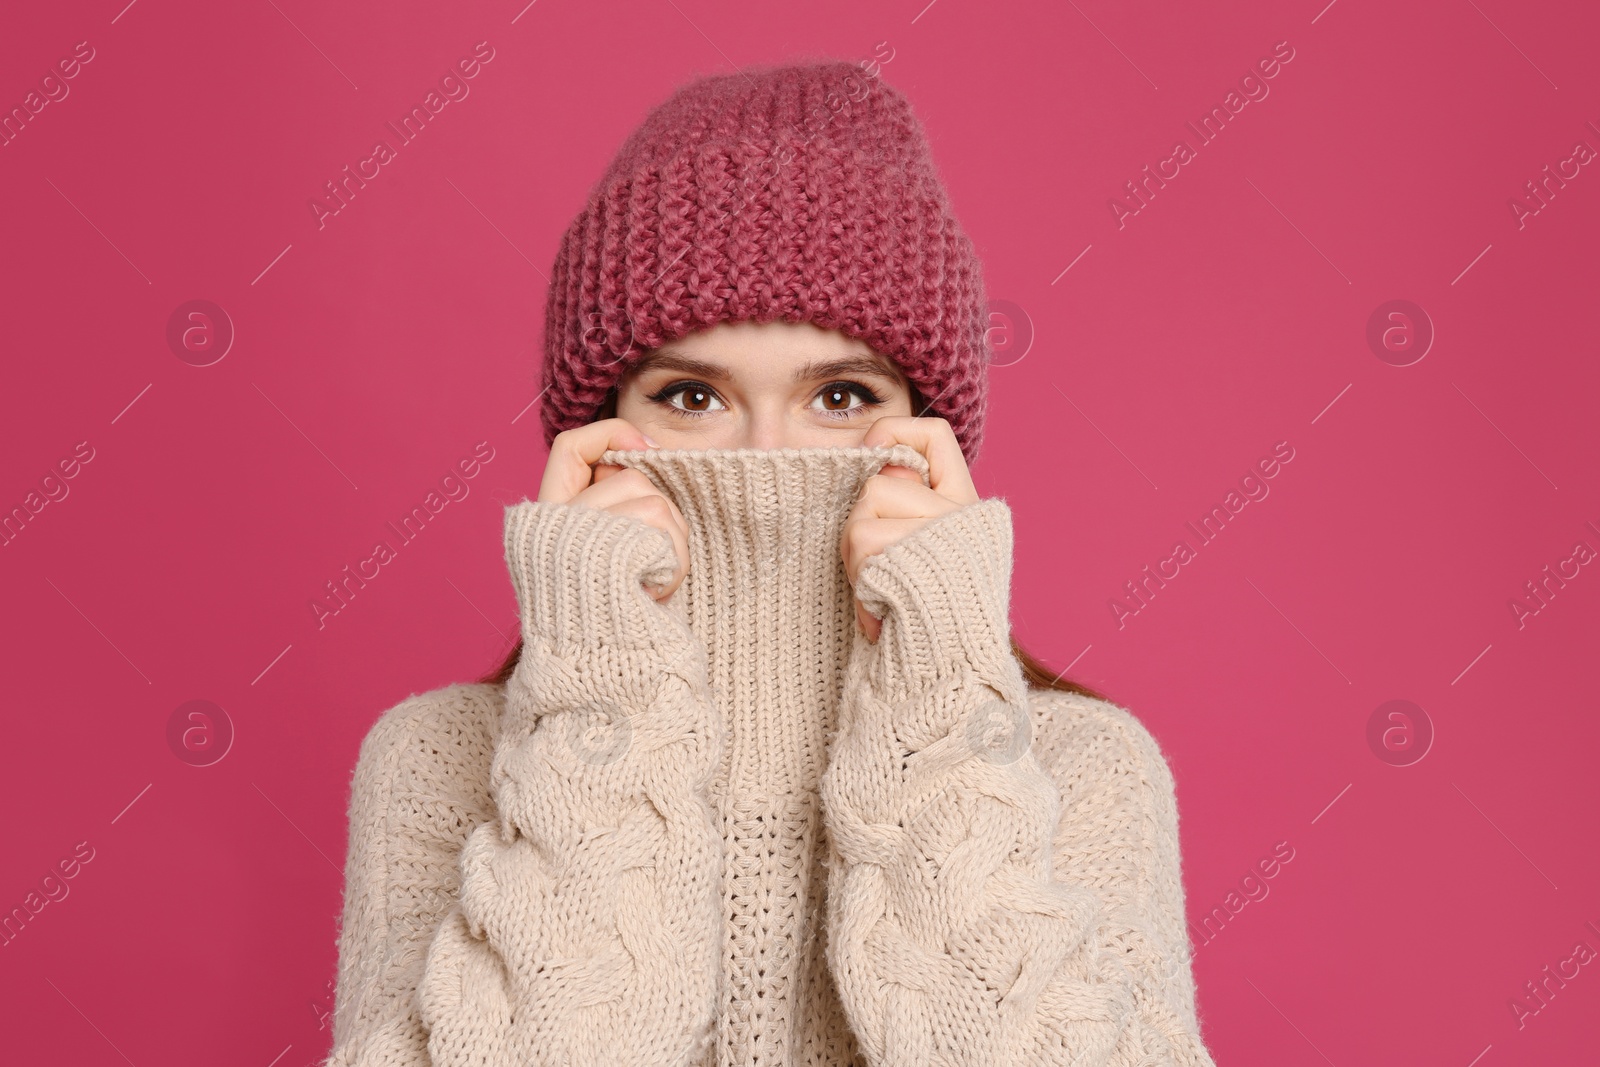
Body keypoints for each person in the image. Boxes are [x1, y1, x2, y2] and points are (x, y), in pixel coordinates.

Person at [322, 59, 1216, 1067]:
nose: (761, 455)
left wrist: (940, 699)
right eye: (691, 397)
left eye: (838, 397)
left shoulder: (1078, 766)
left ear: (931, 442)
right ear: (596, 437)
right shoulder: (437, 758)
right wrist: (596, 699)